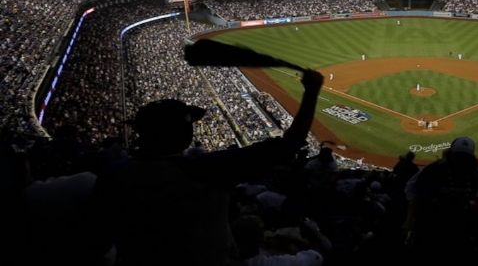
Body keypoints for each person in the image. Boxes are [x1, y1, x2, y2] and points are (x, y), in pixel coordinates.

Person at [94, 70, 324, 266]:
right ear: (183, 136)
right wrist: (311, 92)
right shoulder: (206, 169)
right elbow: (287, 146)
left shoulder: (113, 176)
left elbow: (98, 242)